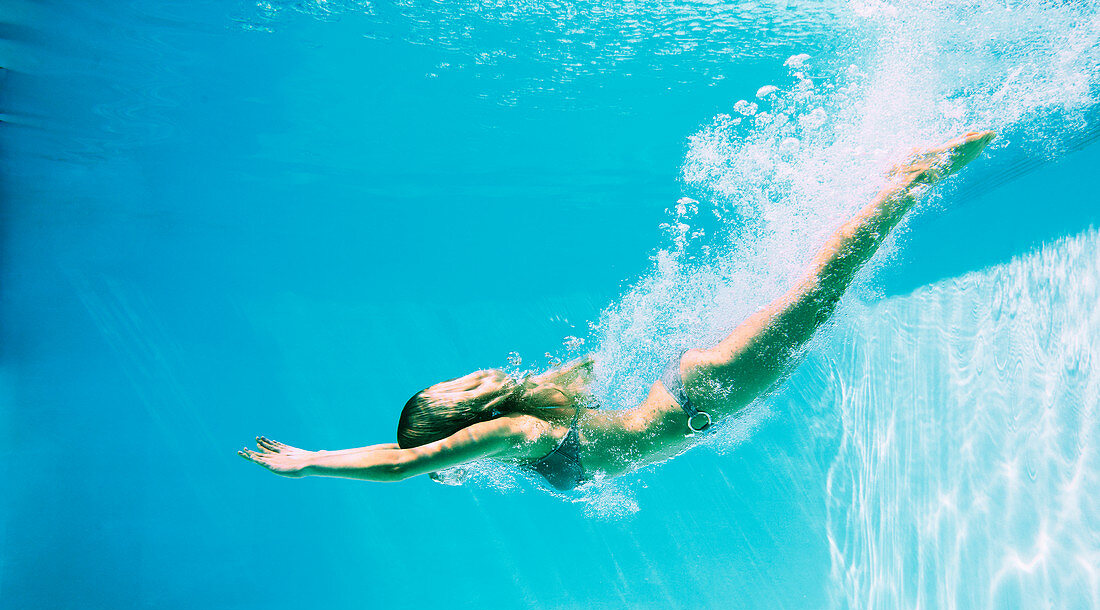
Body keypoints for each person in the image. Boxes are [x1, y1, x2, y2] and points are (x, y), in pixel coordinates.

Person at [240, 131, 995, 490]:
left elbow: (409, 462)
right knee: (812, 293)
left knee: (820, 290)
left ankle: (908, 180)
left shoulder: (519, 431)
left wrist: (313, 459)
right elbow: (427, 463)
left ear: (458, 435)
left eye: (450, 452)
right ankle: (898, 183)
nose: (455, 465)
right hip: (694, 390)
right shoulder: (519, 435)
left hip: (708, 395)